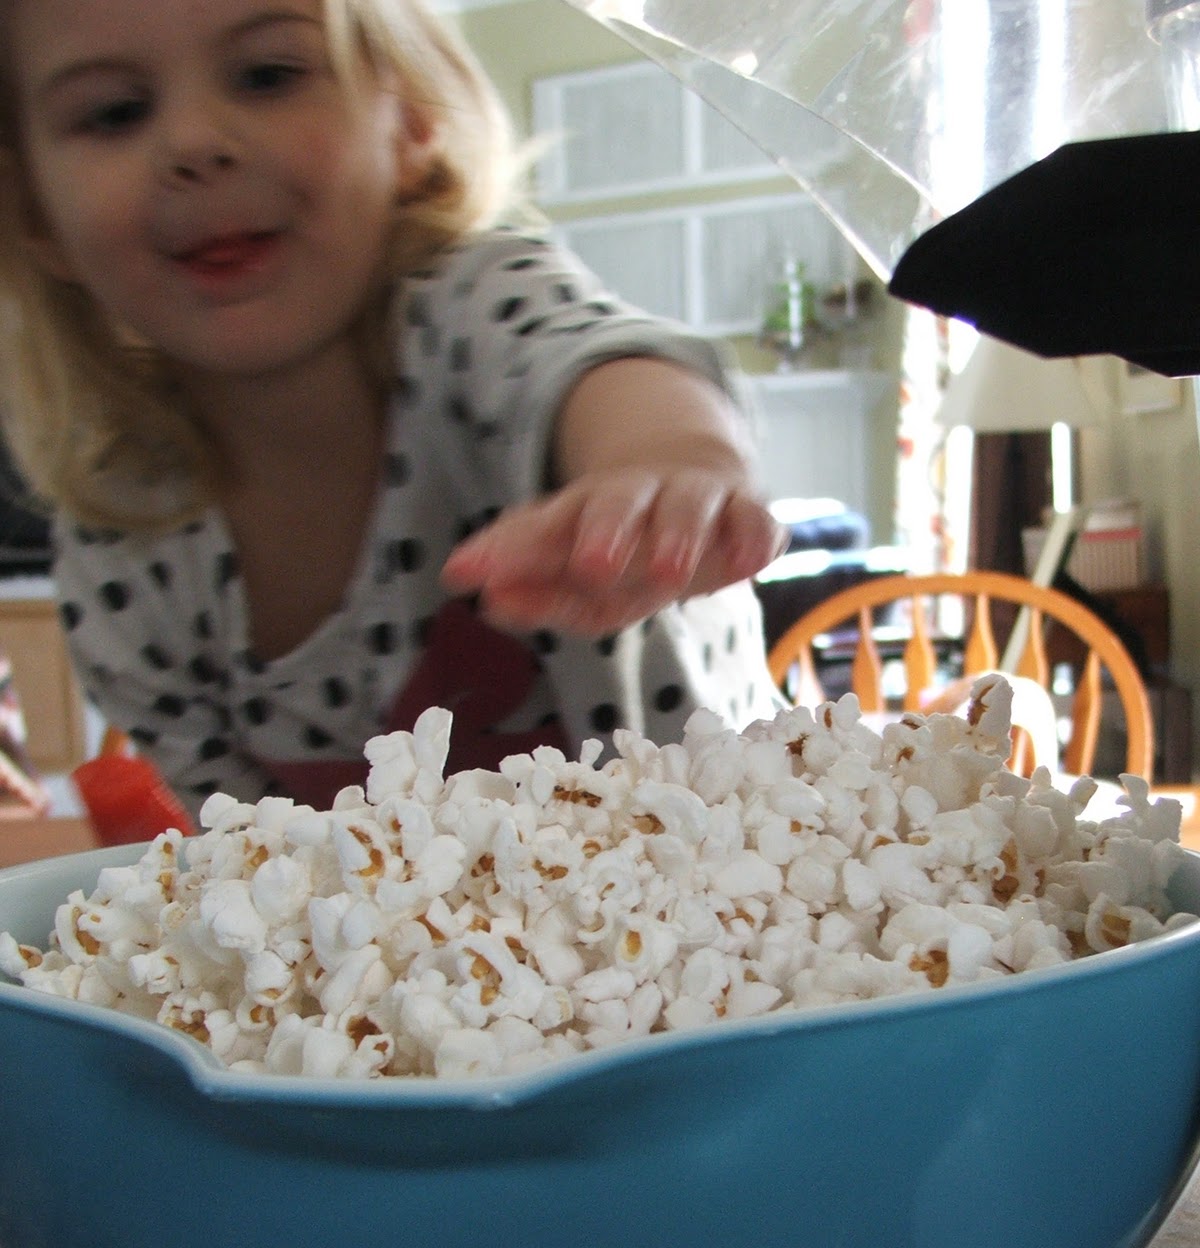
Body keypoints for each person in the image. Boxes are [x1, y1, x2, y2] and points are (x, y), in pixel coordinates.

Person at [0, 0, 786, 818]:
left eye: (269, 75)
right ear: (33, 213)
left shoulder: (473, 305)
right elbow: (253, 868)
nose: (194, 142)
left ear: (410, 118)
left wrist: (665, 460)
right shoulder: (121, 553)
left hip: (734, 886)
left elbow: (599, 360)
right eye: (114, 113)